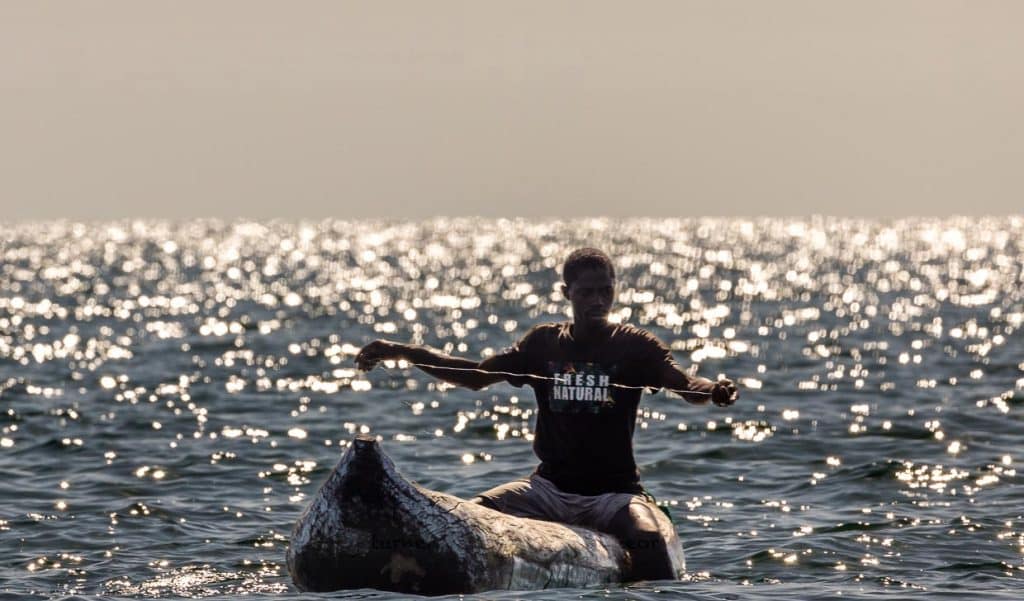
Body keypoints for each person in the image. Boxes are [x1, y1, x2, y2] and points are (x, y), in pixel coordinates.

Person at [355, 247, 738, 581]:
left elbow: (686, 383)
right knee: (466, 518)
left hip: (613, 496)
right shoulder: (542, 344)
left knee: (648, 542)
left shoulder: (635, 346)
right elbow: (473, 376)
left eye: (606, 291)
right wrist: (402, 351)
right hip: (547, 491)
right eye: (586, 292)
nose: (598, 301)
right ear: (566, 293)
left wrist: (714, 390)